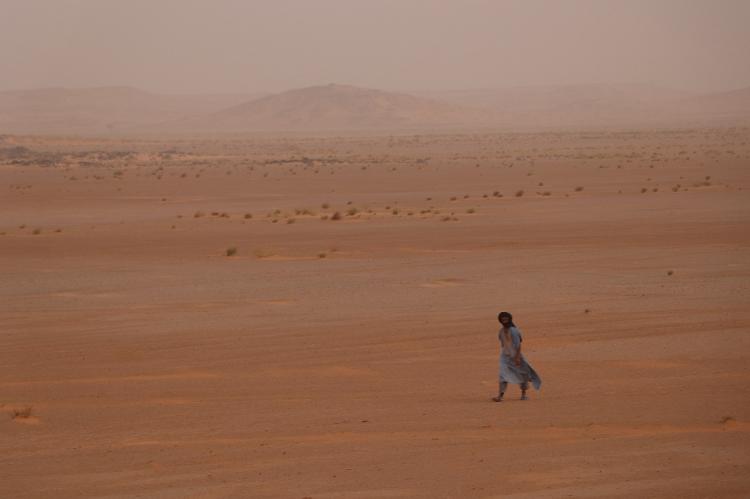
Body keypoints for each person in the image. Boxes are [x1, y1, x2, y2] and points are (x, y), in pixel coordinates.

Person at [492, 311, 542, 402]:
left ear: (510, 319)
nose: (504, 320)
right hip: (505, 358)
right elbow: (503, 344)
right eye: (502, 319)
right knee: (503, 376)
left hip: (516, 356)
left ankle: (523, 395)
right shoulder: (501, 331)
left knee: (523, 374)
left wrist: (517, 357)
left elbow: (518, 345)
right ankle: (500, 396)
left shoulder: (514, 330)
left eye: (506, 319)